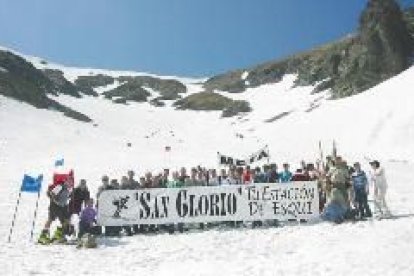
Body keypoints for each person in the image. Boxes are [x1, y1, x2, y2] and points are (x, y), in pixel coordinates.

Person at [38, 180, 72, 244]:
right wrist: (55, 201)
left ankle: (59, 235)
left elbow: (66, 198)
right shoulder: (59, 187)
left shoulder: (69, 189)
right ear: (65, 182)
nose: (69, 183)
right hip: (55, 206)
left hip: (63, 207)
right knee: (51, 219)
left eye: (70, 182)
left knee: (65, 221)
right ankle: (44, 234)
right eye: (68, 182)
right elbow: (52, 193)